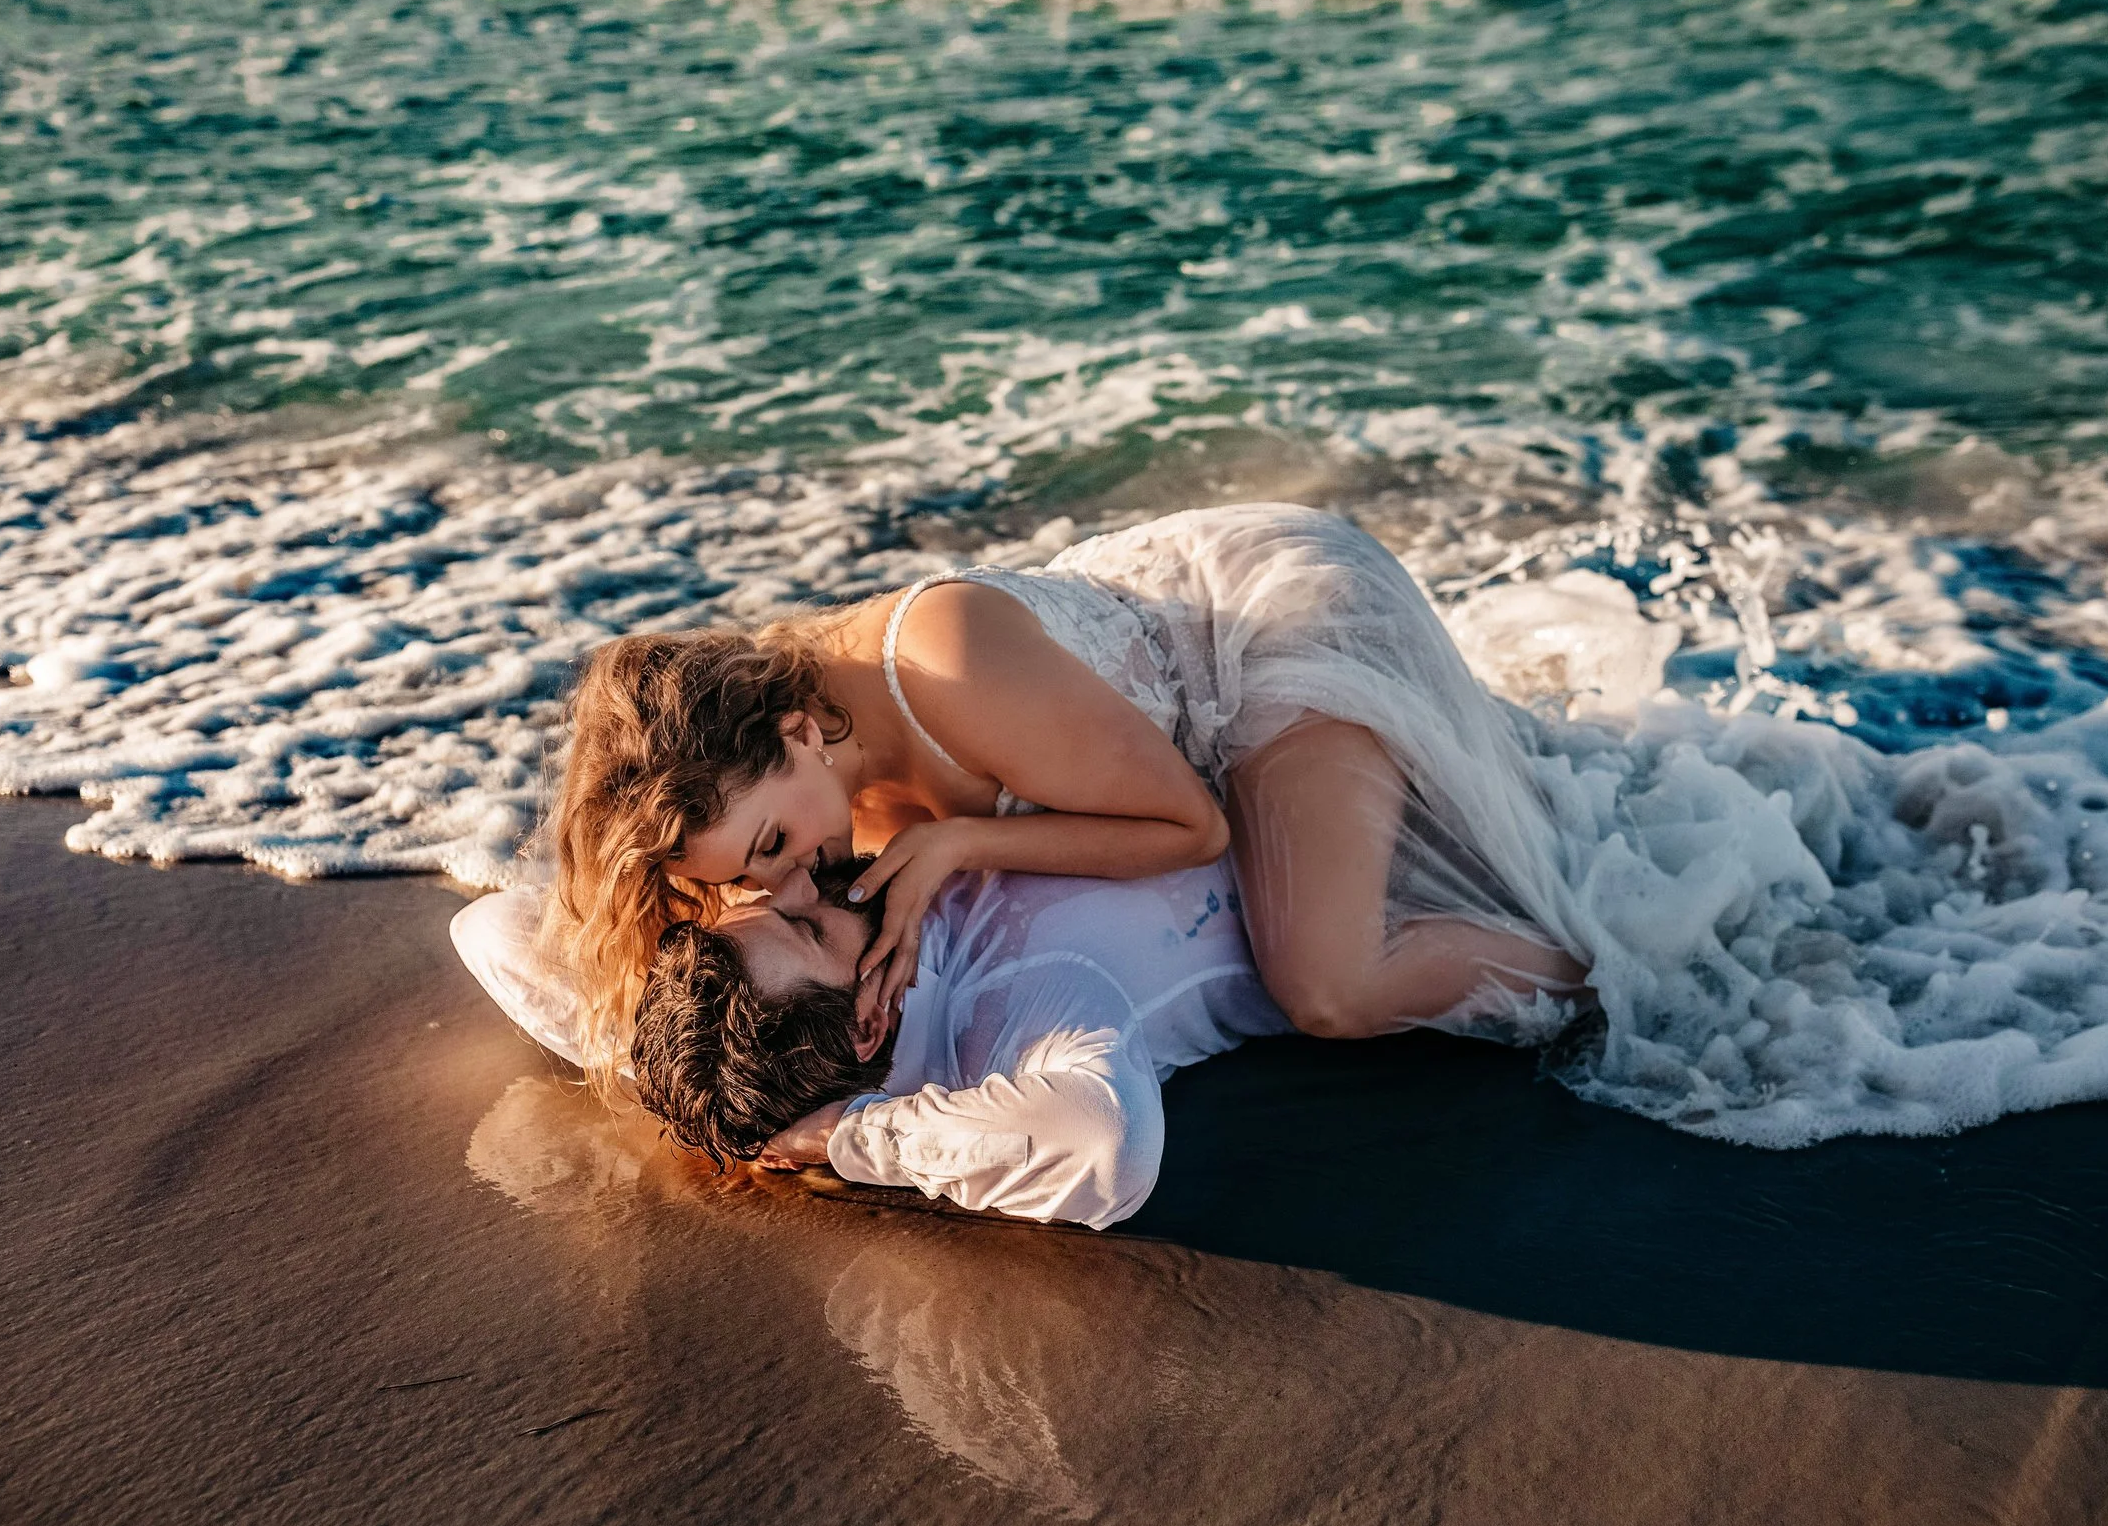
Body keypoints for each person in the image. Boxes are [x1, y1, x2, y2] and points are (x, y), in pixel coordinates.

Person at [547, 502, 1592, 1087]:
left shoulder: (942, 665)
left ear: (792, 731)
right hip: (1141, 676)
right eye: (749, 874)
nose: (785, 880)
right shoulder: (794, 790)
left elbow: (1191, 826)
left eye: (771, 840)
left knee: (1329, 986)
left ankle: (1608, 977)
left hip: (1269, 627)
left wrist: (960, 842)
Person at [453, 855, 1289, 1229]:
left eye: (759, 907)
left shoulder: (745, 1025)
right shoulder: (997, 1017)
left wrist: (687, 1084)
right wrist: (845, 1133)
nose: (798, 880)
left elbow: (492, 927)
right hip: (1335, 872)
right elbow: (1110, 1145)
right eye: (808, 924)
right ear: (868, 1023)